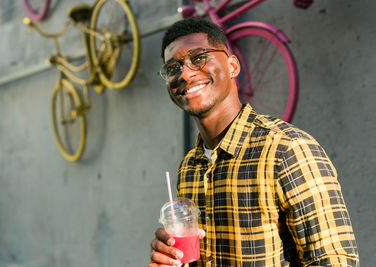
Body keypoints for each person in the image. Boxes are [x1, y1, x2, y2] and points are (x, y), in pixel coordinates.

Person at [149, 17, 359, 266]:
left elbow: (334, 261)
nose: (185, 73)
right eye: (173, 68)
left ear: (232, 66)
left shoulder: (287, 149)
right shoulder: (190, 167)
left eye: (198, 57)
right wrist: (171, 258)